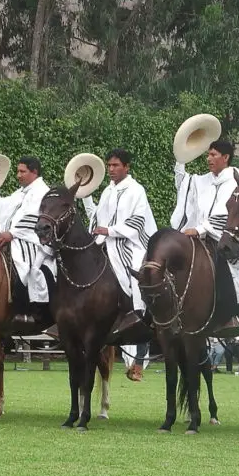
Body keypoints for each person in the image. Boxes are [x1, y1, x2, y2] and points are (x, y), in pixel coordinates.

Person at [171, 139, 239, 337]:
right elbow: (183, 184)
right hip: (196, 234)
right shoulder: (204, 180)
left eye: (213, 155)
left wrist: (200, 229)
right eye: (208, 154)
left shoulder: (235, 181)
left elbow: (226, 213)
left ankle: (233, 313)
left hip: (223, 236)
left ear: (226, 157)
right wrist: (181, 158)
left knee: (226, 266)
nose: (208, 158)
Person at [80, 148, 158, 345]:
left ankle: (136, 311)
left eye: (115, 165)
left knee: (132, 270)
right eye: (109, 166)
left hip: (130, 242)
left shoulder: (136, 190)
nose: (111, 169)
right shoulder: (108, 190)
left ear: (126, 167)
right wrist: (85, 194)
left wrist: (110, 231)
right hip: (105, 242)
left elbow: (138, 221)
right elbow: (97, 216)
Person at [0, 156, 55, 325]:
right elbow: (2, 206)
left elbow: (34, 218)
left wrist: (12, 233)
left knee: (24, 265)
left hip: (35, 241)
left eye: (22, 171)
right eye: (18, 171)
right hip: (17, 237)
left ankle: (26, 309)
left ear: (34, 172)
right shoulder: (20, 193)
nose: (18, 175)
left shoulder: (42, 191)